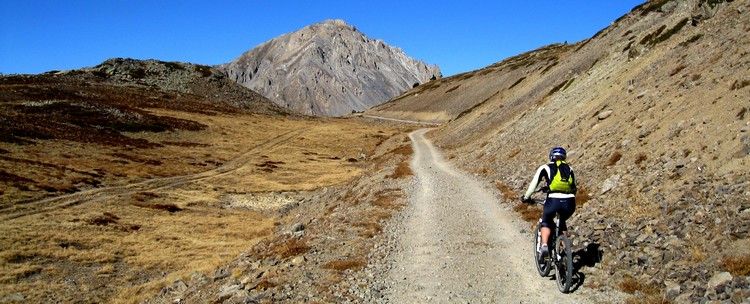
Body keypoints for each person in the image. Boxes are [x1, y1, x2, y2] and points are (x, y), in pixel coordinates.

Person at [521, 147, 577, 262]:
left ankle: (545, 245)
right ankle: (565, 252)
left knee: (546, 221)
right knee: (562, 223)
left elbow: (533, 184)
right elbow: (574, 188)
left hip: (553, 200)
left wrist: (526, 197)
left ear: (551, 156)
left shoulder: (545, 167)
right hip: (570, 202)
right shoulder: (569, 168)